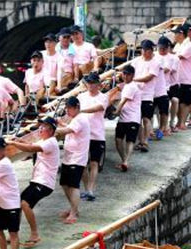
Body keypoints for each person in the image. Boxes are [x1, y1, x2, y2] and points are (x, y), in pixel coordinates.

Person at [7, 117, 58, 248]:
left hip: (45, 183)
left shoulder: (50, 142)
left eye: (44, 127)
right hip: (37, 180)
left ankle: (35, 234)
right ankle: (14, 233)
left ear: (51, 130)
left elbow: (31, 149)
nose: (40, 129)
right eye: (41, 126)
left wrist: (13, 144)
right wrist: (18, 140)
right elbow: (30, 145)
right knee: (18, 204)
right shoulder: (44, 140)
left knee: (25, 204)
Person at [55, 96, 90, 224]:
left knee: (73, 185)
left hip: (77, 158)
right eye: (67, 108)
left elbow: (67, 130)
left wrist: (52, 128)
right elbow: (70, 127)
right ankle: (73, 208)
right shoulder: (75, 119)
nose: (68, 111)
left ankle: (74, 213)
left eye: (69, 108)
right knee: (64, 183)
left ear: (77, 107)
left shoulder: (80, 119)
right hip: (69, 157)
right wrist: (60, 123)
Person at [77, 72, 108, 201]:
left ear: (98, 85)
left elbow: (98, 108)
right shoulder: (81, 96)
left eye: (93, 83)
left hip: (97, 134)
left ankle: (90, 190)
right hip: (83, 134)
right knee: (83, 164)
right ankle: (86, 189)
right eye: (88, 83)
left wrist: (82, 110)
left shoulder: (103, 97)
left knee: (94, 163)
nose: (90, 85)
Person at [110, 64, 142, 172]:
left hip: (132, 118)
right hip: (124, 118)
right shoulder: (126, 86)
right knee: (118, 140)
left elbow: (123, 102)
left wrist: (116, 111)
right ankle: (124, 161)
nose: (125, 76)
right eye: (124, 73)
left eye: (127, 74)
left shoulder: (132, 86)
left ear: (132, 75)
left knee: (130, 141)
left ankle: (126, 161)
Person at [132, 39, 160, 152]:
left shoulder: (155, 62)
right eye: (142, 50)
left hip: (147, 95)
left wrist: (133, 79)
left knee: (146, 119)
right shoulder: (136, 61)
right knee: (137, 119)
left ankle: (146, 142)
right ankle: (141, 141)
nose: (143, 52)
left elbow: (149, 77)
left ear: (150, 51)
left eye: (145, 50)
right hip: (136, 94)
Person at [173, 24, 191, 131]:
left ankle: (183, 122)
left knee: (186, 102)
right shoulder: (179, 45)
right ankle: (179, 122)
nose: (174, 36)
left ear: (181, 34)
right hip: (179, 78)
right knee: (180, 101)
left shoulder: (190, 44)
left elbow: (178, 56)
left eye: (175, 34)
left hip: (188, 77)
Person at [154, 37, 175, 138]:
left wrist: (157, 68)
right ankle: (158, 128)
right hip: (154, 86)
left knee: (164, 110)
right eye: (160, 48)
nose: (162, 51)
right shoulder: (154, 56)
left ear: (167, 48)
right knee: (153, 110)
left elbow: (167, 69)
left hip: (165, 86)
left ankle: (163, 128)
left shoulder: (171, 57)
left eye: (164, 49)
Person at [55, 27, 76, 93]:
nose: (66, 39)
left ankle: (63, 88)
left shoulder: (74, 49)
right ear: (59, 38)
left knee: (68, 74)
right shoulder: (54, 49)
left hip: (68, 74)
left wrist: (76, 77)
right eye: (64, 37)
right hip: (55, 74)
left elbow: (75, 65)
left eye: (68, 37)